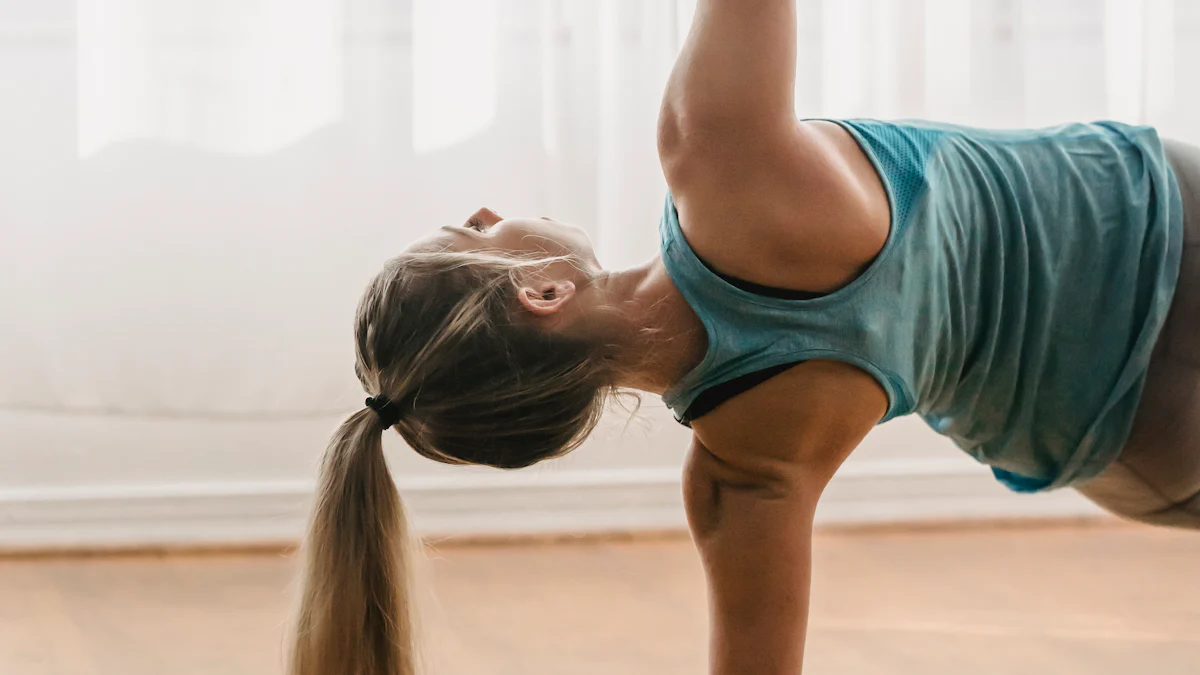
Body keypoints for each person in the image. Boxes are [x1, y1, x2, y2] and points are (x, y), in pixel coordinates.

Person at [287, 1, 1200, 674]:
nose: (489, 211)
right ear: (546, 292)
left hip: (1138, 458)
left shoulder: (737, 478)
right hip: (1163, 247)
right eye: (473, 233)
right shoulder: (720, 154)